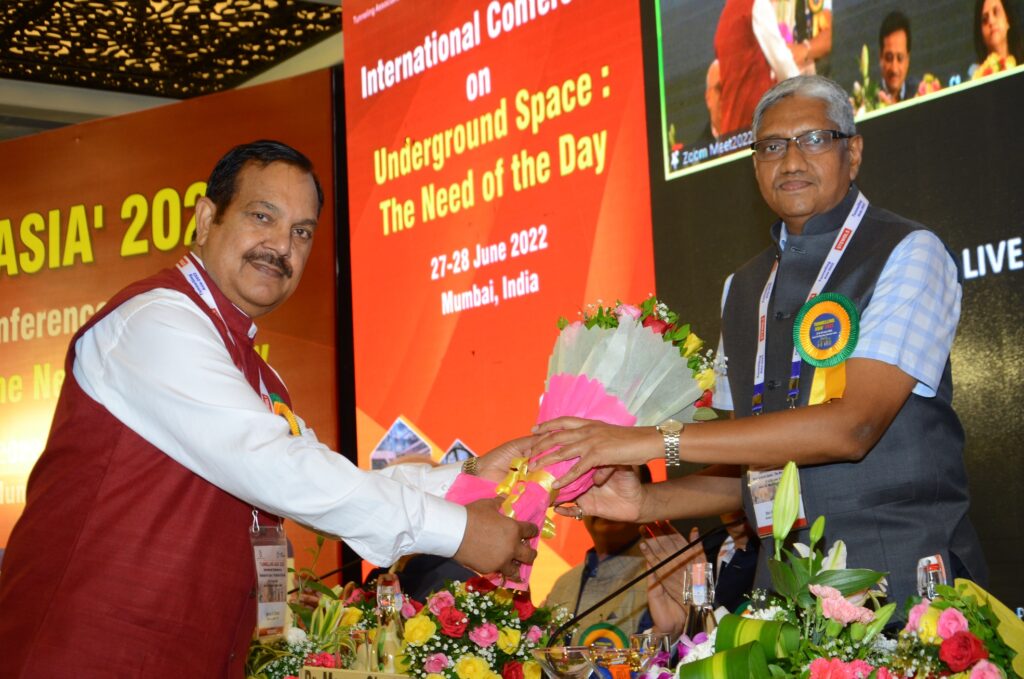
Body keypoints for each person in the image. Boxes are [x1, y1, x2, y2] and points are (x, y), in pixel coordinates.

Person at [0, 141, 538, 677]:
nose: (281, 245)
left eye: (301, 232)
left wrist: (468, 477)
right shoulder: (155, 322)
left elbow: (326, 475)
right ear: (206, 219)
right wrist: (459, 531)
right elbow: (281, 470)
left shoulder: (257, 374)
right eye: (262, 216)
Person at [531, 76, 988, 613]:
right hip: (783, 600)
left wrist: (643, 442)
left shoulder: (908, 252)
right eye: (771, 146)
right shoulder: (742, 288)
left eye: (813, 139)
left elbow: (854, 428)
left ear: (853, 152)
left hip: (900, 586)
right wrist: (646, 501)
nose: (791, 161)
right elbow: (747, 471)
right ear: (754, 166)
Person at [714, 0, 800, 136]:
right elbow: (784, 65)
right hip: (759, 125)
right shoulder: (756, 5)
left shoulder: (724, 19)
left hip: (732, 135)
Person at [878, 11, 919, 104]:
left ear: (908, 60)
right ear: (880, 57)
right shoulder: (868, 101)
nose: (894, 68)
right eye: (889, 58)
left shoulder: (920, 95)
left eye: (900, 58)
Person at [972, 0, 1024, 72]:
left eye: (995, 12)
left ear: (1007, 20)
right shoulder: (979, 76)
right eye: (985, 19)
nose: (991, 21)